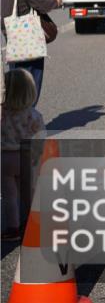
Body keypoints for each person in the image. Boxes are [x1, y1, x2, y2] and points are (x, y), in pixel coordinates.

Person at [1, 0, 62, 104]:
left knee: (16, 93)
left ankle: (15, 126)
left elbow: (24, 3)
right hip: (30, 48)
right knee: (30, 92)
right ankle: (28, 124)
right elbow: (53, 3)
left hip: (14, 46)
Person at [1, 69, 44, 241]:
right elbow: (40, 138)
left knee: (9, 195)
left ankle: (13, 228)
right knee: (28, 193)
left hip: (4, 158)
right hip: (26, 157)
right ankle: (32, 223)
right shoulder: (33, 115)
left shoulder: (2, 114)